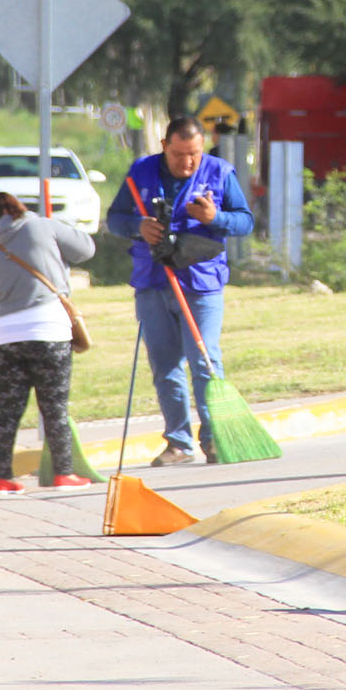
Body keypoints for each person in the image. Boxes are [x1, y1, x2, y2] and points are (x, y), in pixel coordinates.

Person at [103, 116, 255, 466]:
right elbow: (115, 218)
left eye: (194, 154)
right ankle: (179, 443)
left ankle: (216, 439)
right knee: (164, 365)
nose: (187, 162)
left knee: (206, 362)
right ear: (164, 147)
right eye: (178, 154)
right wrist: (137, 226)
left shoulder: (220, 172)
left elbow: (245, 221)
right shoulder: (140, 172)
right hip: (152, 282)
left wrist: (214, 218)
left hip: (201, 283)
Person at [0, 191, 97, 492]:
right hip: (48, 328)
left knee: (7, 408)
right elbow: (86, 249)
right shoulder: (42, 225)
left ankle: (4, 478)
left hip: (5, 335)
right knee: (54, 406)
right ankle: (64, 473)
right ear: (20, 207)